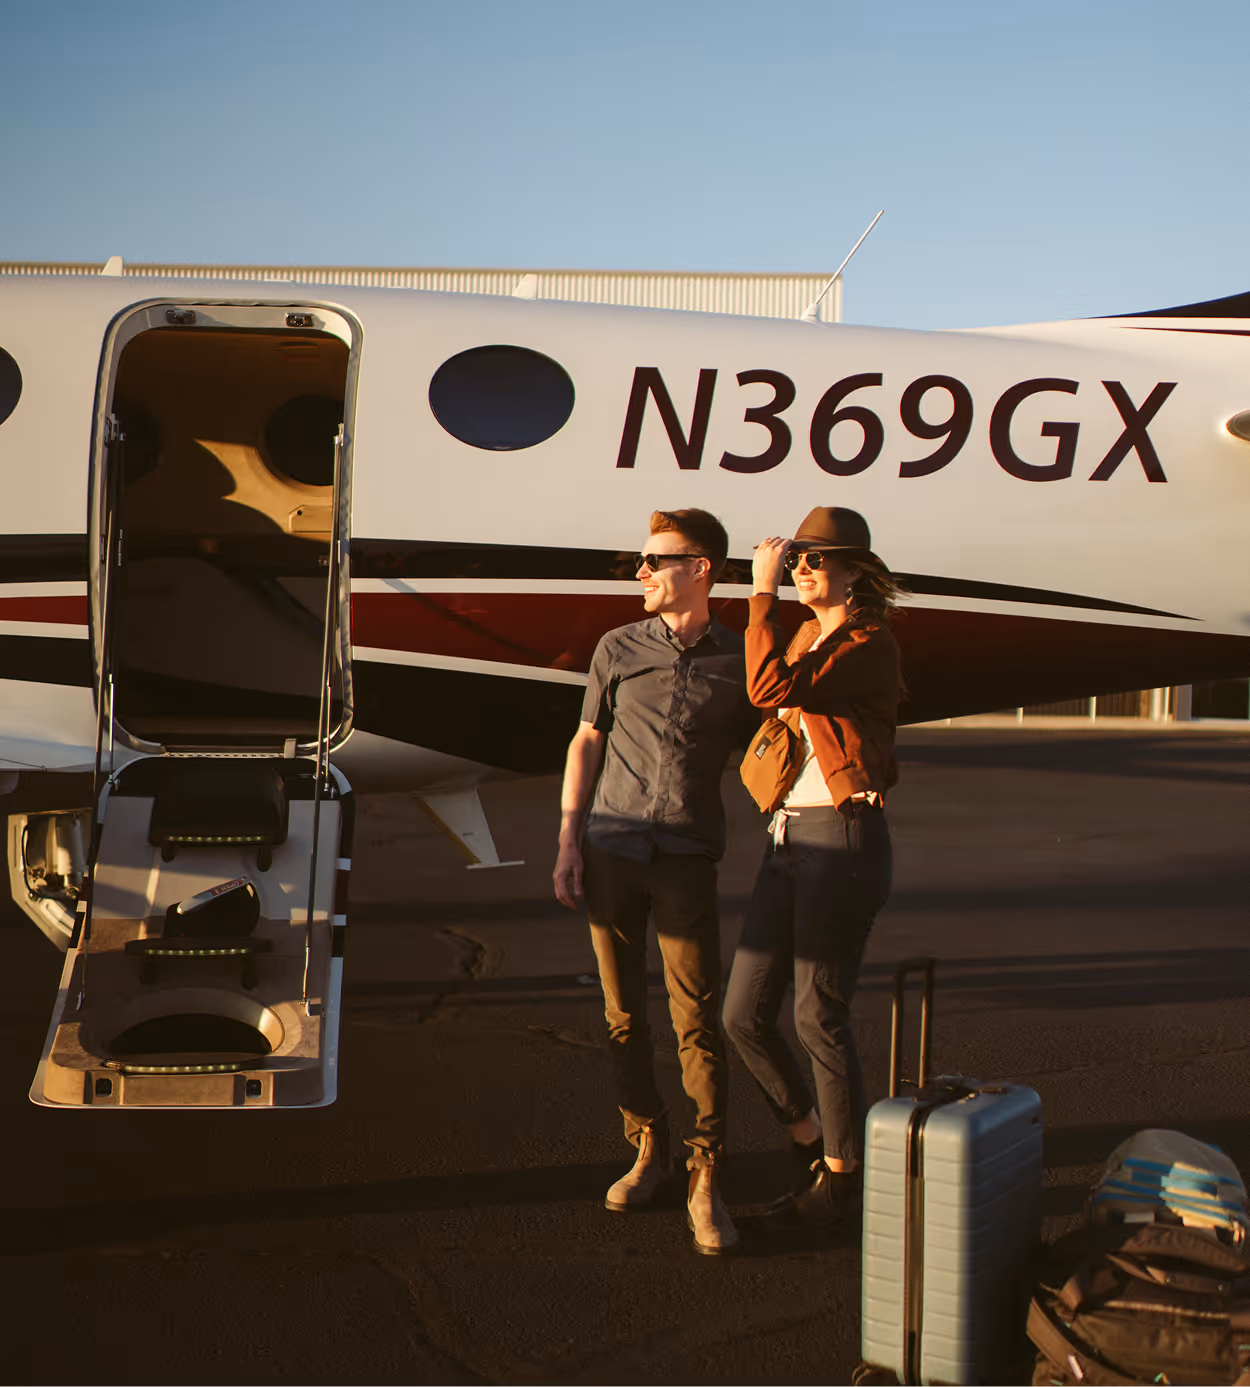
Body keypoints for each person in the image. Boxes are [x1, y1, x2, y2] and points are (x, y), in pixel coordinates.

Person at [552, 508, 754, 1256]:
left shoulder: (741, 659)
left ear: (699, 568)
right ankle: (648, 1147)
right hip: (610, 847)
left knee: (696, 1019)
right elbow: (587, 739)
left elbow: (774, 739)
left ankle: (706, 1174)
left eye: (654, 560)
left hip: (686, 856)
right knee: (622, 1016)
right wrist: (568, 841)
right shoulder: (618, 646)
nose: (639, 571)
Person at [722, 505, 902, 1232]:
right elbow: (773, 693)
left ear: (855, 571)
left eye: (816, 559)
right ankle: (813, 1139)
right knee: (743, 1014)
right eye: (795, 557)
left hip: (842, 836)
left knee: (816, 1013)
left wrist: (760, 592)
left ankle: (843, 1180)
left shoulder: (867, 640)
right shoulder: (806, 636)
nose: (801, 568)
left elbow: (767, 689)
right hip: (788, 836)